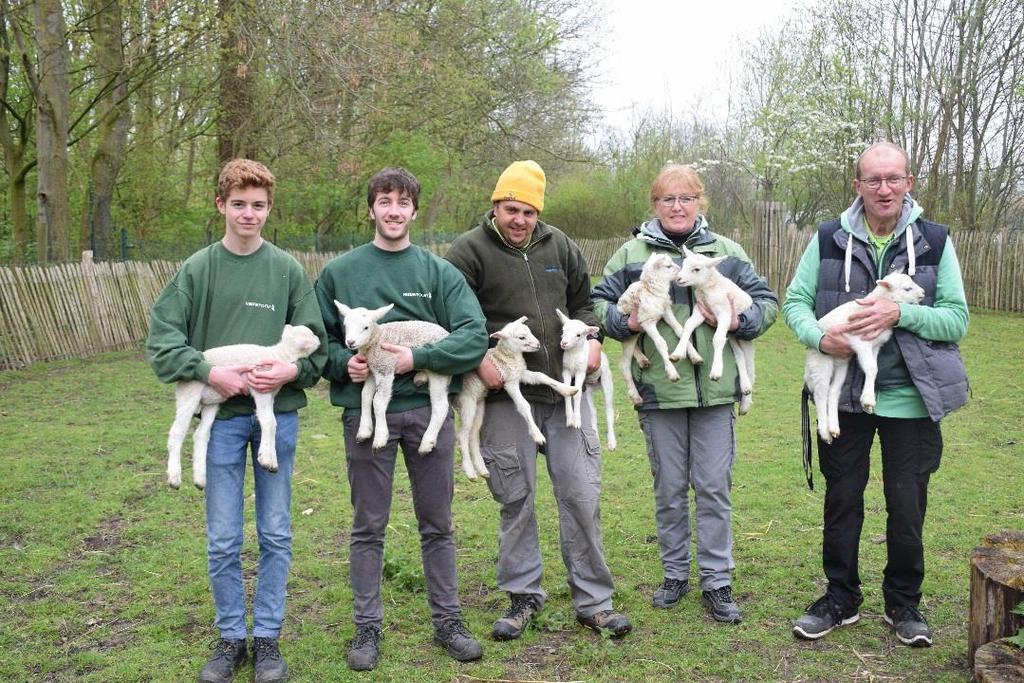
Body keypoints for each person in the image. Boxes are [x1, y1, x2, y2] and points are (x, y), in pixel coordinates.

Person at [147, 159, 328, 683]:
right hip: (221, 420)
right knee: (224, 537)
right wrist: (209, 371)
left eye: (259, 205)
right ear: (221, 205)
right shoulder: (197, 270)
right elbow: (163, 344)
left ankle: (267, 638)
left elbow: (315, 351)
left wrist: (290, 369)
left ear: (269, 209)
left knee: (275, 532)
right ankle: (231, 637)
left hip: (278, 419)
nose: (249, 214)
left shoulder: (289, 271)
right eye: (239, 204)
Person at [783, 142, 969, 647]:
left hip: (912, 396)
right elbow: (795, 303)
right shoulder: (827, 238)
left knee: (906, 505)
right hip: (845, 401)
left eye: (893, 179)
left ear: (909, 182)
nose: (884, 189)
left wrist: (900, 313)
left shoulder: (935, 240)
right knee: (842, 500)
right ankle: (840, 597)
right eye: (873, 180)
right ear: (858, 186)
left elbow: (956, 317)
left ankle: (903, 603)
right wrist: (820, 337)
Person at [444, 160, 632, 640]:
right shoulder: (468, 252)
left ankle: (594, 600)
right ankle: (523, 596)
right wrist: (476, 359)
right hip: (506, 397)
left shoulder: (561, 245)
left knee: (582, 495)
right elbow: (450, 320)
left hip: (567, 393)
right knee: (516, 496)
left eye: (529, 211)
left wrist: (592, 339)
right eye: (512, 209)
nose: (520, 219)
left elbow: (584, 304)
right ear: (496, 205)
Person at [315, 167, 489, 671]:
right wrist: (339, 364)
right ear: (371, 209)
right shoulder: (339, 274)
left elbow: (472, 335)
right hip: (367, 419)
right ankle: (367, 628)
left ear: (414, 210)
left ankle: (448, 621)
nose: (393, 210)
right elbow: (317, 339)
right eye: (384, 201)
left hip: (424, 415)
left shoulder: (438, 273)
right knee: (369, 525)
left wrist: (420, 360)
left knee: (437, 523)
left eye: (403, 202)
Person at [592, 163, 777, 624]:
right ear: (654, 205)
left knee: (714, 487)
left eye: (687, 198)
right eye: (667, 199)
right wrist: (625, 323)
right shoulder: (631, 253)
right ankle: (675, 574)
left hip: (715, 392)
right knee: (670, 487)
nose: (678, 207)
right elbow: (596, 303)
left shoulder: (726, 252)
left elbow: (767, 303)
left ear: (700, 203)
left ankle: (717, 581)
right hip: (660, 392)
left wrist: (738, 322)